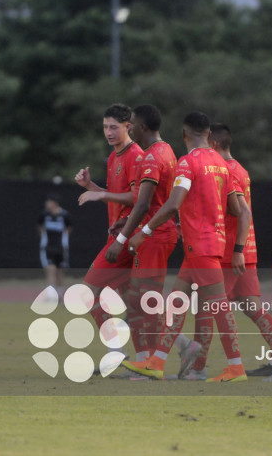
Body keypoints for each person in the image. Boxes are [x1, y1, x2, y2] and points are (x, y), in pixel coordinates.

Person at [122, 112, 248, 382]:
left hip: (201, 246)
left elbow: (173, 204)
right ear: (209, 136)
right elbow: (237, 209)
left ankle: (236, 368)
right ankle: (156, 363)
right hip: (207, 244)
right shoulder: (221, 163)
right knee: (176, 304)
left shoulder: (187, 162)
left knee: (219, 308)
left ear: (184, 134)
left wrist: (143, 232)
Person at [184, 122, 272, 382]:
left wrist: (236, 250)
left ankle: (200, 368)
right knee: (253, 308)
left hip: (228, 252)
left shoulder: (222, 169)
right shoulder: (240, 169)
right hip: (245, 250)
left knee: (205, 308)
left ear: (213, 144)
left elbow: (240, 213)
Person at [104, 104, 179, 371]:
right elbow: (155, 201)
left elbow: (144, 204)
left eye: (132, 123)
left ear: (143, 127)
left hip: (153, 235)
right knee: (140, 300)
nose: (129, 128)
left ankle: (157, 360)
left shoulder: (150, 157)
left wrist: (123, 239)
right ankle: (155, 356)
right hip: (156, 232)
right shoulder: (167, 150)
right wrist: (127, 223)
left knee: (145, 300)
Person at [74, 104, 142, 357]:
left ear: (128, 127)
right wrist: (90, 186)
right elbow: (117, 197)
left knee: (87, 293)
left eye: (114, 127)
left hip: (124, 238)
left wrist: (97, 193)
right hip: (117, 236)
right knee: (132, 302)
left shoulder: (136, 156)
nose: (109, 132)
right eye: (105, 127)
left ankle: (116, 352)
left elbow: (138, 198)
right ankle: (183, 345)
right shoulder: (114, 157)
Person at [38, 192, 72, 298]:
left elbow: (69, 228)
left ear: (55, 203)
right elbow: (40, 226)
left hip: (61, 247)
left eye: (49, 202)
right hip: (48, 247)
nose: (47, 204)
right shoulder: (44, 215)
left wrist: (64, 240)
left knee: (59, 271)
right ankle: (51, 295)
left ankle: (59, 293)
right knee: (50, 269)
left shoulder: (64, 215)